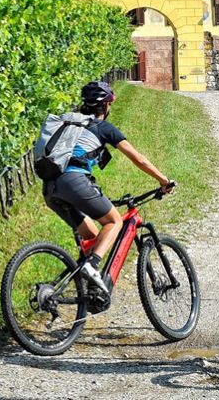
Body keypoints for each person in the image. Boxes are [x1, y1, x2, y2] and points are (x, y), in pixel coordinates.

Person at [43, 81, 172, 294]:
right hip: (74, 181)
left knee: (94, 236)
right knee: (114, 221)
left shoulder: (69, 123)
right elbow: (138, 159)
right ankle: (92, 268)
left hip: (50, 187)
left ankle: (84, 293)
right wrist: (163, 180)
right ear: (105, 106)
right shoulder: (102, 127)